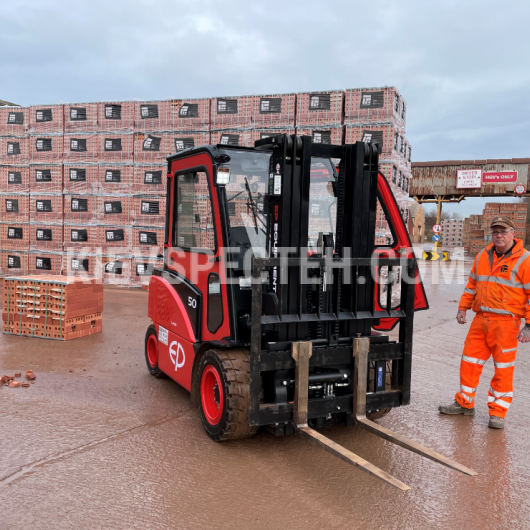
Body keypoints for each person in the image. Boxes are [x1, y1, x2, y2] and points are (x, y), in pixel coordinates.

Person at [439, 216, 530, 429]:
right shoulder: (483, 255)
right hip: (480, 320)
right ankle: (464, 403)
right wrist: (463, 308)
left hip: (507, 323)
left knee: (503, 369)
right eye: (495, 231)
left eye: (503, 231)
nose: (498, 235)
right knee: (469, 362)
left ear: (513, 233)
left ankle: (498, 413)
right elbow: (472, 284)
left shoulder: (525, 259)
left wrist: (528, 324)